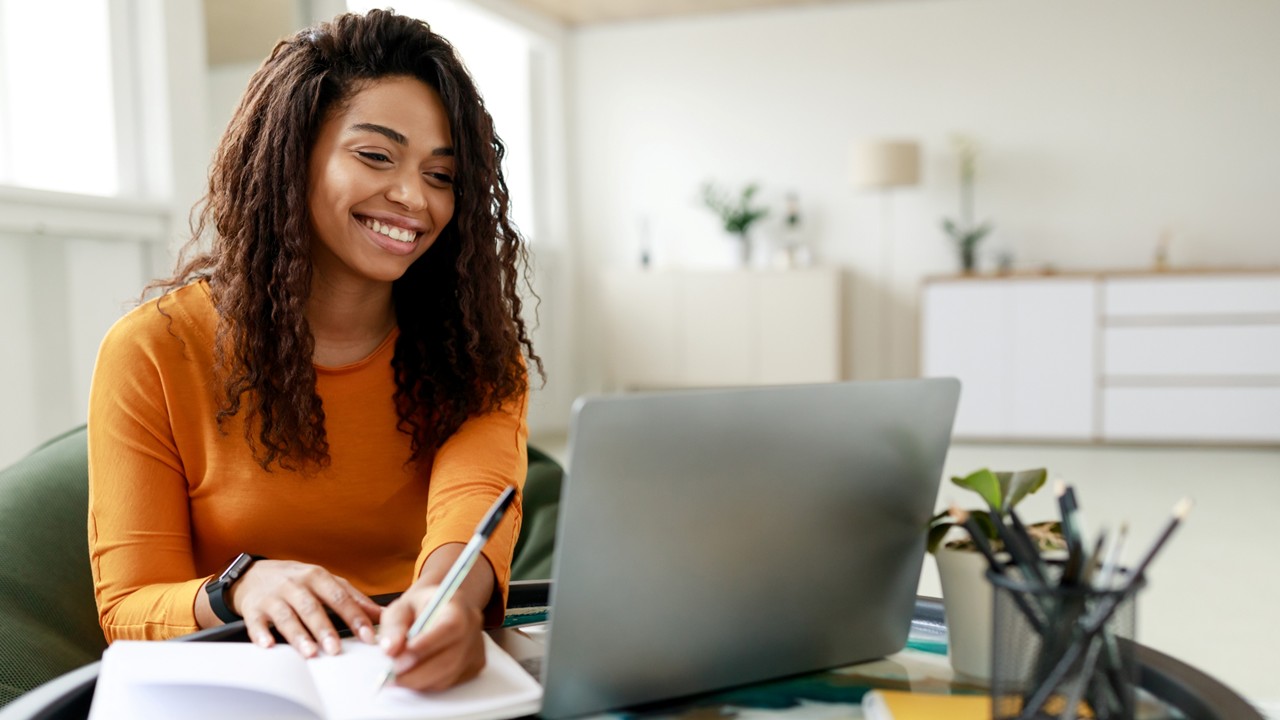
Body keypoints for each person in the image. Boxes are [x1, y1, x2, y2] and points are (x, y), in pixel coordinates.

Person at [87, 8, 541, 692]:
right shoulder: (153, 350)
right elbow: (127, 607)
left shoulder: (475, 349)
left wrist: (450, 600)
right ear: (290, 154)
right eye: (376, 155)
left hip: (413, 681)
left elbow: (470, 502)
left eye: (442, 175)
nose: (413, 197)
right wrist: (240, 586)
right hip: (239, 683)